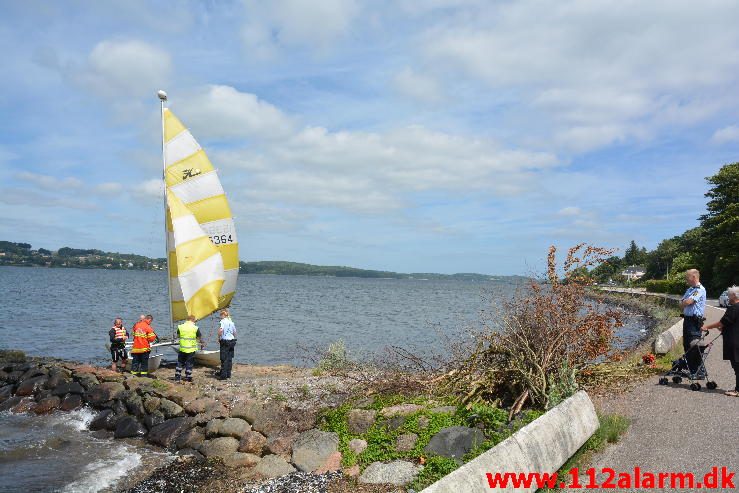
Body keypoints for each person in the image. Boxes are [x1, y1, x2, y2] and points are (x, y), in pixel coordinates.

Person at [702, 286, 739, 396]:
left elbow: (721, 323)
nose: (728, 297)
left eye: (729, 294)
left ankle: (738, 390)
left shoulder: (734, 308)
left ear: (734, 295)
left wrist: (707, 327)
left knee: (737, 366)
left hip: (735, 341)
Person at [680, 269, 706, 375]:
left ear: (694, 277)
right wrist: (684, 302)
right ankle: (691, 368)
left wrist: (684, 302)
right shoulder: (690, 289)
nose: (686, 279)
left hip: (694, 321)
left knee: (695, 345)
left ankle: (699, 370)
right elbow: (681, 303)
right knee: (686, 344)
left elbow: (688, 301)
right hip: (687, 320)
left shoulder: (699, 289)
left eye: (688, 277)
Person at [175, 315, 203, 383]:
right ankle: (188, 377)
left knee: (180, 362)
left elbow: (178, 336)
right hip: (191, 348)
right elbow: (199, 337)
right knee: (189, 363)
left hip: (182, 348)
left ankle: (177, 377)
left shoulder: (180, 326)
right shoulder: (195, 328)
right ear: (193, 320)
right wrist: (200, 342)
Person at [218, 309, 237, 380]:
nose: (220, 317)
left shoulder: (222, 321)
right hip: (232, 341)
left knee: (224, 358)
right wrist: (233, 337)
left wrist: (218, 337)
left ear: (223, 315)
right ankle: (228, 374)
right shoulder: (231, 322)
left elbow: (220, 330)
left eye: (221, 315)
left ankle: (223, 375)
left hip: (225, 341)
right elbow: (235, 332)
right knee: (229, 358)